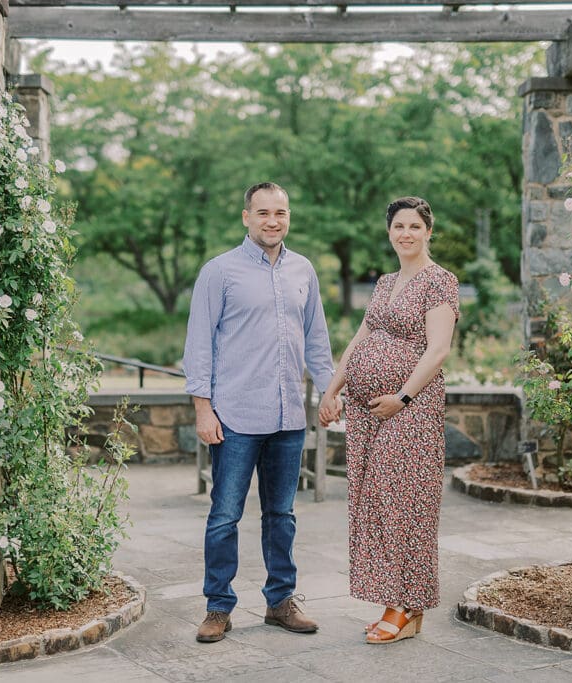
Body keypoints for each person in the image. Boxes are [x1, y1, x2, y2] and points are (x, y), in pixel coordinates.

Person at [184, 182, 335, 644]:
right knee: (225, 515)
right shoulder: (219, 271)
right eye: (264, 212)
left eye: (281, 213)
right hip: (235, 416)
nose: (273, 220)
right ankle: (217, 607)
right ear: (246, 217)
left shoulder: (303, 270)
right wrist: (203, 409)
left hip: (289, 417)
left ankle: (280, 602)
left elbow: (316, 341)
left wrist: (329, 390)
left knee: (282, 516)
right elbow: (199, 345)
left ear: (288, 217)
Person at [318, 196, 459, 645]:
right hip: (366, 413)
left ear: (428, 232)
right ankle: (405, 606)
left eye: (415, 226)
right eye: (399, 226)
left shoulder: (440, 282)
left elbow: (437, 350)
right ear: (389, 232)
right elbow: (361, 339)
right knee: (374, 501)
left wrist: (402, 396)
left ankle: (401, 605)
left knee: (400, 500)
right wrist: (333, 388)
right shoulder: (384, 283)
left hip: (410, 410)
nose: (406, 234)